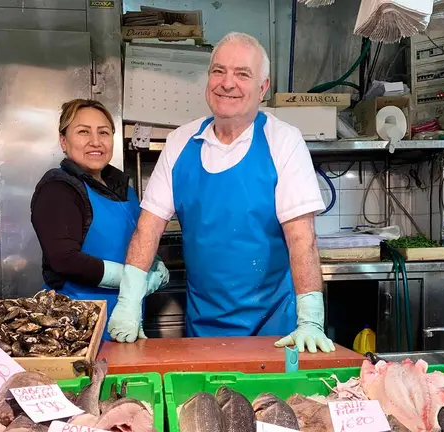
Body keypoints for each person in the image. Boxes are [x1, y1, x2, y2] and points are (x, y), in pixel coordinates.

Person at [107, 33, 336, 353]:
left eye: (242, 74)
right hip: (203, 326)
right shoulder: (179, 143)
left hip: (275, 328)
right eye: (218, 71)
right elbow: (148, 228)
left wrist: (310, 319)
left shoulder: (283, 141)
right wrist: (129, 302)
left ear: (263, 88)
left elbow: (302, 239)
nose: (227, 83)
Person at [30, 98, 169, 341]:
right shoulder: (58, 188)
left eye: (103, 132)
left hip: (127, 318)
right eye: (83, 132)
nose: (95, 141)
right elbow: (65, 260)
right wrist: (131, 280)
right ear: (63, 141)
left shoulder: (125, 189)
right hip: (76, 326)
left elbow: (137, 240)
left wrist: (154, 265)